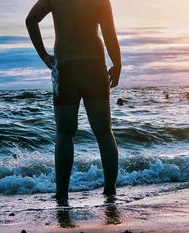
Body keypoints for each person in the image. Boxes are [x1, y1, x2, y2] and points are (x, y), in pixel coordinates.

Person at [26, 0, 121, 202]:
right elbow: (109, 33)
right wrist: (117, 63)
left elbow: (31, 20)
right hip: (94, 66)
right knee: (104, 131)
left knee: (65, 132)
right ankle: (110, 192)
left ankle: (62, 194)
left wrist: (44, 56)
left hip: (66, 67)